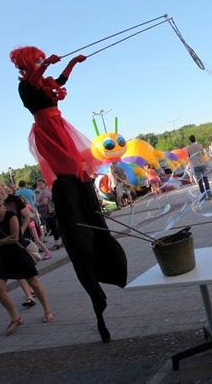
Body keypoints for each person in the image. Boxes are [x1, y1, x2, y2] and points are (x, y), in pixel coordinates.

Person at [10, 46, 127, 343]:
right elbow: (36, 79)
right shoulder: (25, 86)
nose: (41, 62)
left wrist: (73, 63)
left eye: (41, 58)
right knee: (70, 167)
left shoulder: (43, 82)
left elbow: (58, 82)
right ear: (27, 63)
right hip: (47, 130)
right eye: (36, 60)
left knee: (80, 164)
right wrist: (45, 64)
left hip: (59, 125)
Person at [0, 190, 54, 335]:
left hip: (18, 253)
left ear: (1, 200)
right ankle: (16, 317)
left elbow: (15, 238)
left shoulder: (11, 215)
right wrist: (3, 241)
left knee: (34, 283)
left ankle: (47, 310)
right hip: (4, 256)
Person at [34, 179, 63, 249]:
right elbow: (36, 201)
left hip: (50, 212)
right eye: (38, 184)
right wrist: (36, 195)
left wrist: (37, 204)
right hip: (46, 213)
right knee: (53, 227)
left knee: (54, 228)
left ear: (45, 184)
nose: (39, 185)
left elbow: (45, 202)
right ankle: (60, 242)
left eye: (41, 183)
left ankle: (57, 243)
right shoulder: (40, 192)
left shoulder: (45, 192)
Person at [187, 135, 212, 199]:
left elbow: (189, 157)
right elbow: (203, 154)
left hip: (195, 165)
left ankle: (203, 195)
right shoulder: (199, 145)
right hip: (202, 164)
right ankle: (209, 194)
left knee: (200, 181)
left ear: (190, 140)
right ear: (195, 139)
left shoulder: (188, 148)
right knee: (205, 179)